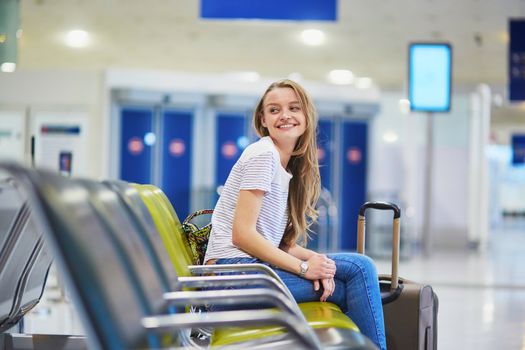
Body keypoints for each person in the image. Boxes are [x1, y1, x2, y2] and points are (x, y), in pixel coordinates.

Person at [203, 79, 386, 350]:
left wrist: (317, 261)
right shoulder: (262, 155)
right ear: (262, 119)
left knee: (354, 271)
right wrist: (304, 268)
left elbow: (279, 243)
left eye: (293, 108)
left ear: (305, 116)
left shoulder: (284, 164)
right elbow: (242, 236)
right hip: (232, 280)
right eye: (274, 110)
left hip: (250, 274)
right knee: (355, 275)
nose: (285, 115)